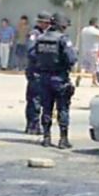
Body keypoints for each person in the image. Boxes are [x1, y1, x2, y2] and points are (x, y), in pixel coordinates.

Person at [31, 13, 77, 149]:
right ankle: (63, 139)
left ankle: (46, 138)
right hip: (59, 78)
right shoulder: (63, 39)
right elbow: (71, 59)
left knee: (46, 108)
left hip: (44, 78)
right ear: (61, 26)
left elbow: (32, 55)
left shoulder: (40, 38)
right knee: (63, 108)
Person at [24, 11, 52, 135]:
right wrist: (44, 56)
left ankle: (38, 124)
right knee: (34, 99)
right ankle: (32, 124)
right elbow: (31, 51)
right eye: (45, 23)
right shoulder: (35, 34)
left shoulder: (48, 35)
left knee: (43, 99)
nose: (47, 25)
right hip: (35, 70)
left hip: (45, 71)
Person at [77, 18, 99, 87]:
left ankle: (79, 77)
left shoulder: (84, 30)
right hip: (94, 50)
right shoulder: (95, 31)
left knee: (84, 65)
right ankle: (94, 81)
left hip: (85, 50)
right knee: (94, 66)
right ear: (95, 23)